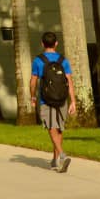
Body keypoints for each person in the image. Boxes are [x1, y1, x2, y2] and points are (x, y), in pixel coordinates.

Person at [29, 30, 76, 173]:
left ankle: (61, 154)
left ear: (42, 44)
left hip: (46, 99)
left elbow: (33, 82)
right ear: (56, 44)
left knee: (51, 128)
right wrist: (73, 101)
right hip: (62, 99)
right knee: (59, 129)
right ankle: (55, 161)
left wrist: (33, 96)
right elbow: (69, 81)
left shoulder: (38, 61)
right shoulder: (63, 60)